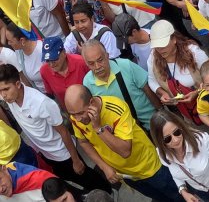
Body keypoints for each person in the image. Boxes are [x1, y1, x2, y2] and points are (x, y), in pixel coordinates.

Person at [63, 85, 185, 202]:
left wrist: (98, 128)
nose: (76, 119)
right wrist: (104, 167)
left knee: (178, 195)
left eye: (80, 113)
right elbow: (83, 141)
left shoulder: (116, 108)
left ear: (91, 103)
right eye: (72, 114)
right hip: (126, 176)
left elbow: (125, 151)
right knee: (161, 198)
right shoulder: (76, 116)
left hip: (149, 167)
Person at [0, 64, 111, 192]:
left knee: (85, 177)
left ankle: (108, 191)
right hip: (46, 154)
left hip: (63, 153)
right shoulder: (12, 100)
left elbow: (63, 131)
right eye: (0, 91)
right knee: (69, 179)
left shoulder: (41, 103)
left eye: (6, 89)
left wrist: (75, 160)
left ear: (18, 84)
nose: (3, 95)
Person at [149, 108, 209, 202]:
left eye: (177, 132)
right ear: (160, 141)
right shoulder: (162, 154)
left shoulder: (201, 140)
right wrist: (183, 191)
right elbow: (176, 174)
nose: (175, 140)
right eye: (167, 139)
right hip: (203, 193)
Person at [81, 40, 160, 130]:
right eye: (91, 63)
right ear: (86, 64)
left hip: (150, 125)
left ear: (107, 56)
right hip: (122, 134)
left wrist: (161, 111)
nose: (97, 66)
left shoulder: (126, 65)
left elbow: (147, 88)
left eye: (100, 60)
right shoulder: (87, 82)